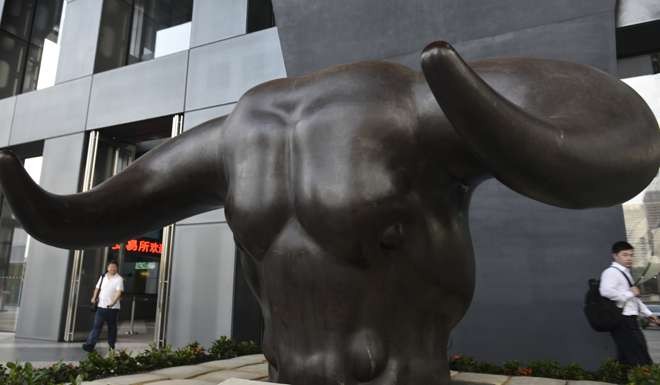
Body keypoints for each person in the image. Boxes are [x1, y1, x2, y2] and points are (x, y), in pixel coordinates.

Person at [600, 241, 659, 366]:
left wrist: (648, 314)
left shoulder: (625, 273)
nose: (629, 258)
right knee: (640, 355)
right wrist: (629, 293)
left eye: (631, 255)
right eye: (625, 255)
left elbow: (634, 299)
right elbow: (605, 291)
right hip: (623, 320)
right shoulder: (611, 272)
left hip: (629, 320)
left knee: (628, 357)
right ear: (615, 256)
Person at [82, 260, 124, 353]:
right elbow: (97, 288)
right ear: (107, 268)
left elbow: (118, 292)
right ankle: (90, 345)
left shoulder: (119, 279)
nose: (112, 268)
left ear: (117, 268)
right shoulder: (103, 277)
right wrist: (93, 297)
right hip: (101, 307)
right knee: (96, 326)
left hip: (113, 309)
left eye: (114, 267)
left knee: (112, 328)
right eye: (110, 267)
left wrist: (113, 302)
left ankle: (111, 345)